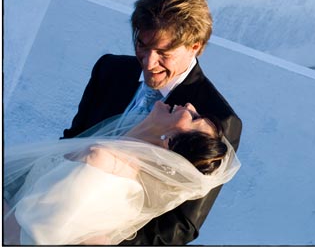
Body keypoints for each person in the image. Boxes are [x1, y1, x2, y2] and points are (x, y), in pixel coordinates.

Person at [61, 0, 243, 245]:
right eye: (142, 45)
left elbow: (182, 226)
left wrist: (97, 238)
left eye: (163, 53)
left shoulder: (217, 119)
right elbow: (72, 139)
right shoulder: (109, 69)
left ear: (195, 46)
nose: (148, 62)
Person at [4, 102, 241, 245]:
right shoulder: (113, 160)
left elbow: (24, 239)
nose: (189, 106)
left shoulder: (101, 163)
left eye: (194, 118)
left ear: (170, 143)